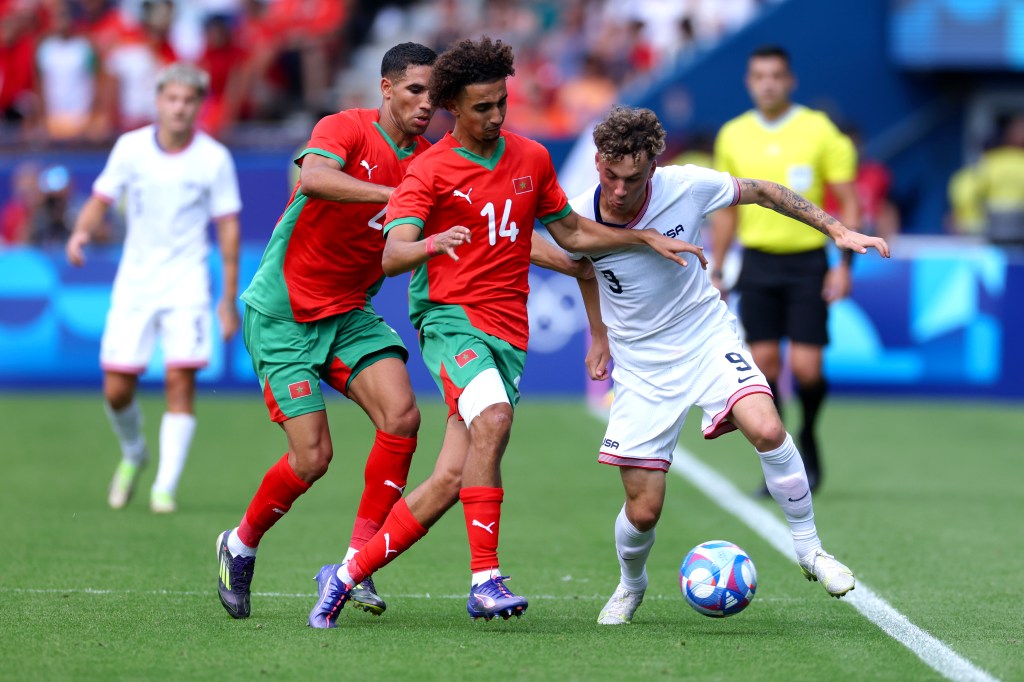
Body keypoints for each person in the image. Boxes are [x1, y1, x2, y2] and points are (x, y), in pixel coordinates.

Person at [302, 36, 704, 629]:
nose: (495, 116)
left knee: (446, 480)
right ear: (453, 109)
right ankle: (485, 579)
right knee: (493, 416)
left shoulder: (531, 159)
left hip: (507, 332)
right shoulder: (428, 170)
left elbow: (573, 239)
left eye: (501, 104)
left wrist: (640, 240)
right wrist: (433, 243)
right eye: (481, 107)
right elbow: (392, 256)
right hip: (448, 318)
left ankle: (343, 576)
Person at [570, 106, 888, 625]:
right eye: (611, 175)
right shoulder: (576, 211)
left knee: (766, 426)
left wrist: (836, 229)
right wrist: (600, 333)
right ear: (598, 161)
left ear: (654, 166)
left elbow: (762, 190)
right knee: (644, 509)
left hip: (704, 335)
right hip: (642, 365)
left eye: (634, 177)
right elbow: (577, 262)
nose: (621, 189)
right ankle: (631, 585)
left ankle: (810, 550)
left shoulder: (687, 185)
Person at [214, 43, 438, 621]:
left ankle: (354, 566)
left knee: (403, 416)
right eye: (414, 90)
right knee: (313, 457)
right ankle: (239, 543)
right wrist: (401, 195)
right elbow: (314, 179)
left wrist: (572, 260)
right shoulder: (345, 127)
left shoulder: (431, 160)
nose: (425, 103)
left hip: (347, 311)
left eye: (434, 95)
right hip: (283, 309)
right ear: (386, 88)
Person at [65, 63, 242, 514]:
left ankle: (164, 486)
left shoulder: (214, 158)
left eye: (188, 101)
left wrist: (227, 300)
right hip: (136, 285)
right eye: (172, 99)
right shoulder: (131, 148)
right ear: (158, 102)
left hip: (187, 285)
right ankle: (134, 453)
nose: (180, 108)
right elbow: (101, 198)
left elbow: (228, 231)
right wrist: (81, 232)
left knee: (179, 382)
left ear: (198, 105)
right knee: (116, 390)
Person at [712, 45, 862, 495]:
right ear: (748, 82)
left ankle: (810, 436)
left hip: (807, 263)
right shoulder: (733, 135)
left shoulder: (819, 131)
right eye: (759, 75)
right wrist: (718, 269)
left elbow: (848, 202)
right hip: (757, 263)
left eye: (776, 75)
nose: (768, 83)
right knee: (766, 365)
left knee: (808, 367)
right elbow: (725, 211)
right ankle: (782, 458)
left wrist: (844, 265)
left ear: (790, 80)